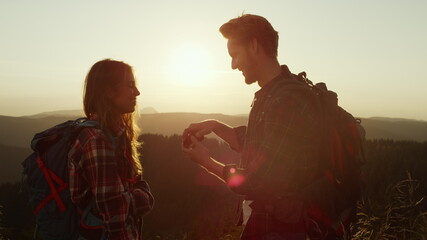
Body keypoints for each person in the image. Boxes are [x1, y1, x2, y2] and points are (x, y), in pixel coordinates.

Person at [182, 14, 332, 239]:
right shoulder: (273, 94)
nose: (233, 65)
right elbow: (260, 145)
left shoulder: (286, 101)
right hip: (272, 222)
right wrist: (216, 126)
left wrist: (206, 162)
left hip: (284, 228)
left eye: (235, 55)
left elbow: (263, 181)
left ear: (254, 46)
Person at [68, 59, 154, 240]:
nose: (137, 92)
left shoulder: (114, 135)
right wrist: (142, 196)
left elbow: (126, 193)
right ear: (108, 91)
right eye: (130, 86)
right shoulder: (97, 140)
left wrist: (131, 197)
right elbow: (115, 215)